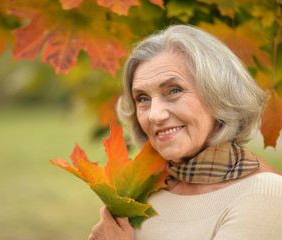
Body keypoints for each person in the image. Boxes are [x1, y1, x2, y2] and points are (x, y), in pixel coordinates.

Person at [88, 25, 282, 240]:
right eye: (143, 99)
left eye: (174, 90)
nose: (155, 115)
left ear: (219, 94)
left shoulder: (264, 193)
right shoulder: (142, 187)